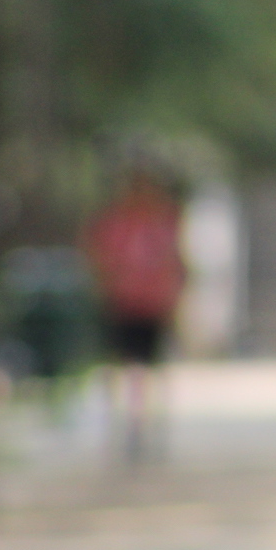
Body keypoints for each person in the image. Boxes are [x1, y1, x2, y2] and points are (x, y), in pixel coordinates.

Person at [85, 166, 185, 458]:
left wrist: (173, 296)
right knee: (121, 365)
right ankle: (122, 423)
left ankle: (146, 424)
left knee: (150, 366)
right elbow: (100, 260)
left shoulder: (165, 221)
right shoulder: (114, 223)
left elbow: (174, 260)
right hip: (123, 304)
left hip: (154, 304)